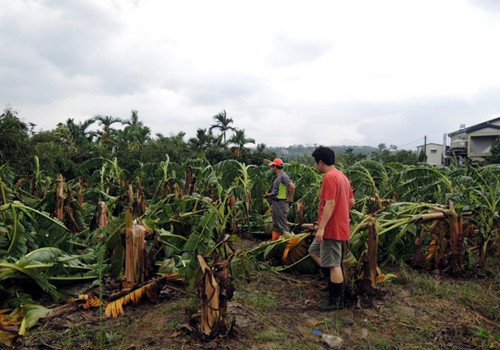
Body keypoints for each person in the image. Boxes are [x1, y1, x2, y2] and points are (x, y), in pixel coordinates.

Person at [308, 146, 355, 311]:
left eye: (316, 163)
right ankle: (333, 283)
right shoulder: (343, 177)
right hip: (338, 225)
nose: (316, 166)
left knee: (334, 264)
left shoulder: (329, 177)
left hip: (331, 228)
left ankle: (336, 301)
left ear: (321, 162)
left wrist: (321, 228)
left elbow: (330, 203)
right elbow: (351, 203)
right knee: (313, 250)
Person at [266, 158, 295, 241]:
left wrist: (289, 198)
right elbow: (278, 191)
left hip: (281, 203)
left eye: (273, 166)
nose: (272, 168)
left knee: (283, 225)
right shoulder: (279, 177)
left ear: (275, 166)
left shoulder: (283, 176)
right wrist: (270, 196)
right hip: (276, 203)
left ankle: (288, 245)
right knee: (276, 225)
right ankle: (275, 243)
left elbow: (292, 187)